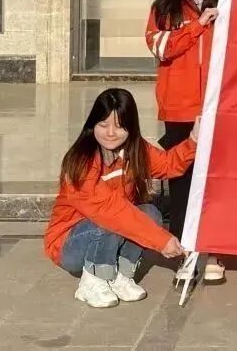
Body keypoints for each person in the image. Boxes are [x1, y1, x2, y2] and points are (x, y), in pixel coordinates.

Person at [43, 88, 199, 308]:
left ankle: (121, 276)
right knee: (108, 222)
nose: (110, 133)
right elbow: (109, 210)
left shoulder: (135, 150)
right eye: (103, 124)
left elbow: (168, 165)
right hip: (70, 245)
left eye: (119, 126)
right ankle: (94, 280)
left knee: (151, 214)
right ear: (92, 125)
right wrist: (161, 240)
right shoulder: (80, 162)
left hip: (110, 227)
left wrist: (193, 140)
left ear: (131, 127)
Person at [145, 0, 226, 285]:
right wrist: (197, 25)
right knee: (182, 182)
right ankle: (185, 251)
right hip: (179, 107)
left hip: (218, 104)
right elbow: (161, 47)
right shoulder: (164, 6)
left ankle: (216, 251)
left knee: (216, 180)